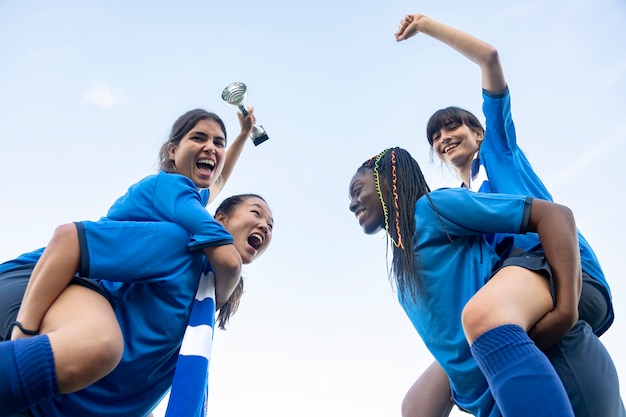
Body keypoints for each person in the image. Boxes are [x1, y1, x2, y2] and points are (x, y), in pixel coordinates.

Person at [394, 14, 615, 416]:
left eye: (453, 127)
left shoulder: (498, 153)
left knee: (487, 319)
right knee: (418, 404)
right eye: (436, 136)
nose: (444, 137)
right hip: (512, 295)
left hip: (558, 271)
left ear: (479, 132)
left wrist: (425, 26)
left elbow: (490, 59)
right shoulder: (458, 207)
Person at [0, 107, 269, 416]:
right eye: (198, 137)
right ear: (172, 150)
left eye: (218, 142)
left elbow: (218, 180)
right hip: (54, 278)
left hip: (82, 285)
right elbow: (228, 259)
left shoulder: (190, 214)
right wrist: (24, 332)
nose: (264, 226)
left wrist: (244, 136)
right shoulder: (174, 195)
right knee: (100, 344)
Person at [349, 147, 624, 417]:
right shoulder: (402, 263)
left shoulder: (432, 209)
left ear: (385, 178)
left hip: (559, 366)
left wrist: (565, 310)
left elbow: (555, 215)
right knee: (415, 407)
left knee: (479, 315)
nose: (352, 204)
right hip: (494, 395)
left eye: (357, 190)